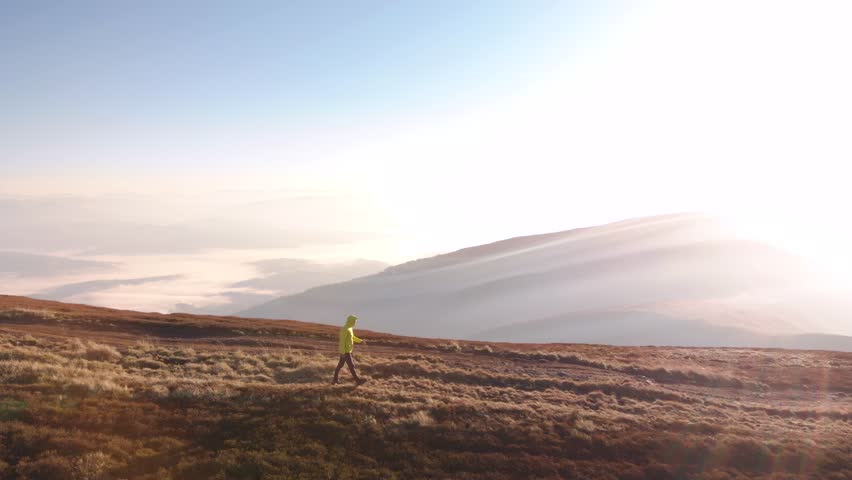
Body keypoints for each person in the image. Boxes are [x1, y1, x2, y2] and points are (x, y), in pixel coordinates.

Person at [333, 314, 366, 385]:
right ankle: (358, 381)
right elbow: (342, 341)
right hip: (345, 352)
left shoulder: (350, 328)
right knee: (351, 366)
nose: (355, 323)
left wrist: (360, 341)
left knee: (340, 365)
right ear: (350, 321)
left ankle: (334, 380)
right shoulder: (345, 329)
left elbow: (352, 337)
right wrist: (343, 353)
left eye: (355, 321)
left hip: (348, 350)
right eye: (354, 321)